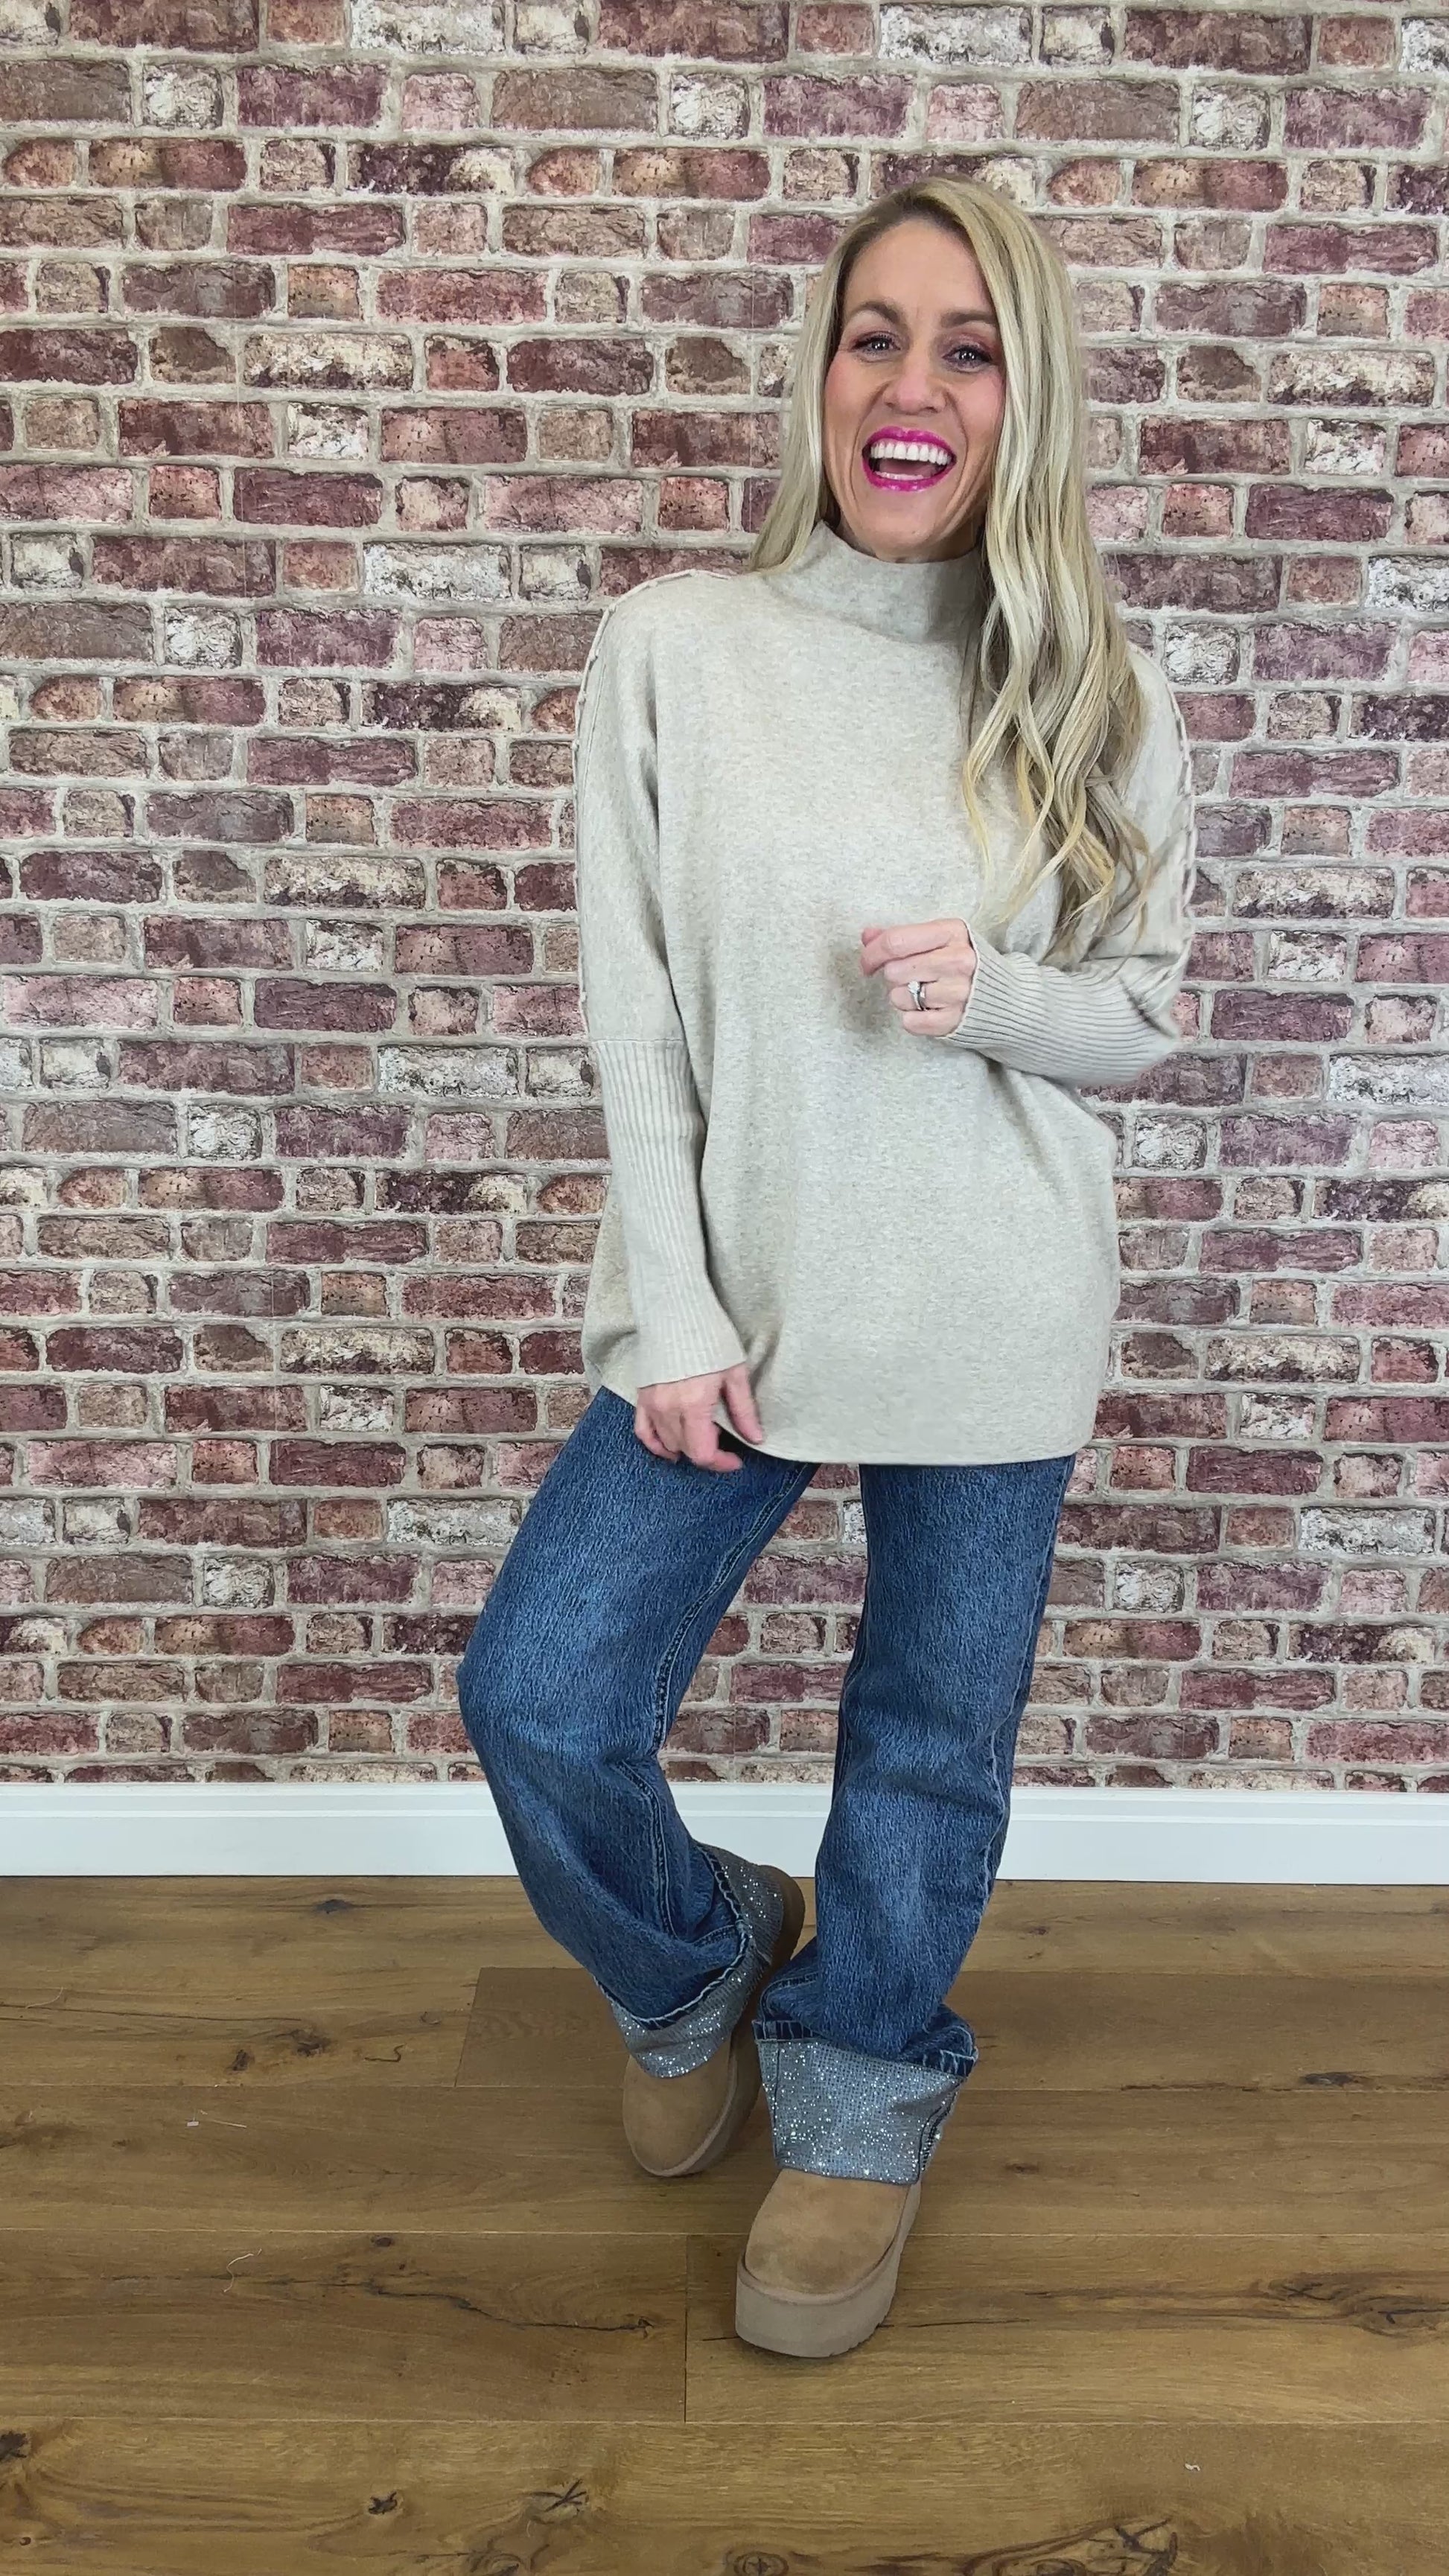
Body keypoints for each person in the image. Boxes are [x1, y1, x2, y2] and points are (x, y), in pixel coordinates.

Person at [456, 176, 1197, 2360]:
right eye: (877, 334)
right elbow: (638, 1014)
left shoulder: (1097, 692)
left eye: (969, 346)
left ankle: (863, 2086)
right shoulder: (678, 645)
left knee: (929, 1742)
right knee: (541, 1696)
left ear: (1023, 398)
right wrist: (669, 1312)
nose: (912, 384)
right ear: (823, 370)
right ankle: (698, 1964)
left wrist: (1002, 995)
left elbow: (1142, 1019)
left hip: (994, 1294)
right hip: (746, 1308)